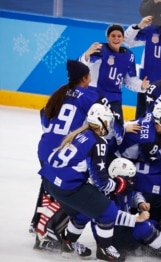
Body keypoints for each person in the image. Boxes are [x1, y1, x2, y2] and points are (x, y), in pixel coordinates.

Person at [38, 103, 137, 261]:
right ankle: (104, 250)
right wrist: (119, 185)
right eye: (108, 121)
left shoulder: (79, 132)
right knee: (108, 210)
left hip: (50, 181)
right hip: (67, 186)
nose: (110, 125)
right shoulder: (99, 143)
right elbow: (101, 183)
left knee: (83, 212)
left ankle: (68, 244)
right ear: (101, 121)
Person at [31, 60, 111, 251]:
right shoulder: (92, 95)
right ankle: (49, 231)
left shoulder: (57, 94)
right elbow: (106, 121)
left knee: (50, 188)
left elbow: (45, 120)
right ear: (85, 78)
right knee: (71, 191)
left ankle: (39, 225)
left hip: (46, 148)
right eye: (89, 75)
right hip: (67, 151)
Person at [79, 23, 149, 146]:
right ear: (108, 37)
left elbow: (129, 80)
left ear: (123, 38)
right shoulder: (100, 49)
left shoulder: (129, 56)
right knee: (90, 126)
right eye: (113, 36)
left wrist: (141, 86)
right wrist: (86, 55)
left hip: (114, 99)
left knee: (118, 133)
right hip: (95, 96)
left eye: (119, 36)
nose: (116, 38)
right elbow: (82, 68)